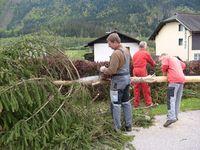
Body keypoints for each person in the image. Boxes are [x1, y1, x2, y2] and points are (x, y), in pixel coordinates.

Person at [100, 33, 132, 132]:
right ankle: (128, 126)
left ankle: (117, 128)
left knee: (116, 104)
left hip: (117, 83)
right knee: (126, 102)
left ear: (115, 42)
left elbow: (112, 71)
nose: (108, 45)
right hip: (127, 80)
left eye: (109, 43)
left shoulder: (116, 53)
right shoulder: (126, 50)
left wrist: (103, 69)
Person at [159, 53, 186, 127]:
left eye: (160, 60)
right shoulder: (175, 59)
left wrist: (164, 73)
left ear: (162, 56)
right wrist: (177, 70)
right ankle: (175, 116)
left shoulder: (166, 57)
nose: (161, 62)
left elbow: (164, 66)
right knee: (177, 99)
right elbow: (184, 65)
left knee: (171, 99)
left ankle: (171, 117)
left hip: (174, 80)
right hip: (182, 80)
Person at [132, 41, 155, 108]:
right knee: (145, 87)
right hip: (141, 70)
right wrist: (154, 65)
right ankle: (149, 103)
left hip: (135, 70)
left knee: (136, 88)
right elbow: (152, 62)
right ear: (145, 46)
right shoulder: (145, 53)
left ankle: (136, 104)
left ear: (139, 46)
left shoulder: (135, 54)